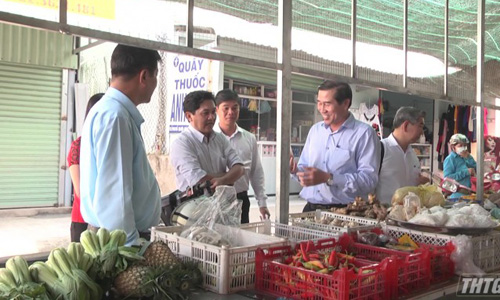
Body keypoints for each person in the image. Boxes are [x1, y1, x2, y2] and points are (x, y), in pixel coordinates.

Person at [80, 44, 162, 245]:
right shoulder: (115, 117)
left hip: (116, 235)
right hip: (119, 240)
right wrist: (131, 246)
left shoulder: (110, 111)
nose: (156, 83)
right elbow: (114, 194)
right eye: (155, 76)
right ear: (144, 76)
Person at [290, 80, 380, 212]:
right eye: (319, 103)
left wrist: (329, 178)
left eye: (327, 104)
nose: (322, 109)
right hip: (311, 209)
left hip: (346, 211)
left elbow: (368, 181)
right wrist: (294, 170)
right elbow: (306, 170)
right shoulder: (316, 131)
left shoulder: (364, 134)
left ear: (345, 103)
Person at [169, 90, 245, 213]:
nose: (212, 117)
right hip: (193, 214)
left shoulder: (220, 139)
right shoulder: (182, 143)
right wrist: (228, 176)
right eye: (205, 113)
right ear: (189, 116)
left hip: (221, 210)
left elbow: (240, 169)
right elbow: (200, 181)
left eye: (213, 112)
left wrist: (222, 180)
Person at [213, 89, 270, 222]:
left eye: (235, 108)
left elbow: (256, 172)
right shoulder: (211, 138)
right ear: (217, 110)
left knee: (242, 239)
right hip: (215, 200)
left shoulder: (249, 138)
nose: (230, 112)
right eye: (225, 108)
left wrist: (262, 203)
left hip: (241, 199)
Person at [67, 93, 104, 242]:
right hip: (83, 220)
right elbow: (80, 191)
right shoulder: (79, 145)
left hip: (107, 220)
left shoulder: (109, 144)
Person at [376, 107, 429, 205]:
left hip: (407, 215)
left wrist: (421, 184)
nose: (422, 132)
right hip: (384, 215)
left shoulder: (413, 154)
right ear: (406, 125)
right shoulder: (380, 149)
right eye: (420, 126)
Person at [443, 133, 477, 199]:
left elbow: (476, 169)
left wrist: (467, 158)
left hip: (470, 194)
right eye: (460, 145)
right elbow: (447, 179)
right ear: (453, 147)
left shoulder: (468, 156)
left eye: (465, 145)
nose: (463, 148)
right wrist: (466, 172)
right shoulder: (450, 159)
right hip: (457, 196)